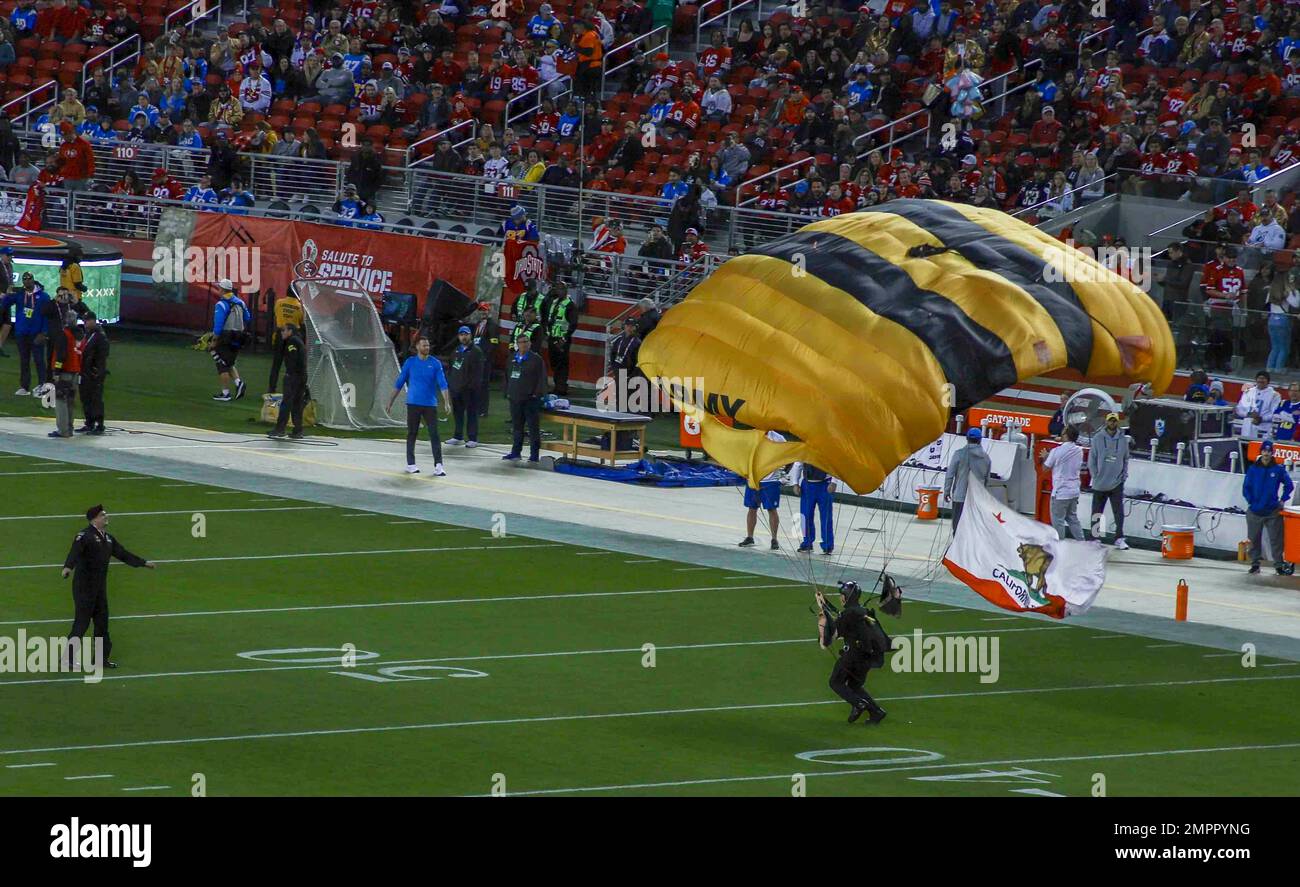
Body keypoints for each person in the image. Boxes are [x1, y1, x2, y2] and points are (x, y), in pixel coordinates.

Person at [61, 504, 155, 669]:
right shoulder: (85, 536)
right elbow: (74, 552)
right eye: (103, 515)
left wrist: (143, 563)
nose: (106, 517)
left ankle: (100, 659)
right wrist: (68, 567)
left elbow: (123, 553)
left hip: (99, 589)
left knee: (102, 624)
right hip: (84, 588)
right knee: (81, 623)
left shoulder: (108, 538)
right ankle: (67, 659)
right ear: (94, 519)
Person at [820, 580, 888, 724]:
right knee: (854, 685)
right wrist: (825, 603)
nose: (840, 598)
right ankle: (876, 712)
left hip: (852, 656)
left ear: (846, 597)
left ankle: (858, 704)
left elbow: (834, 631)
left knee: (835, 682)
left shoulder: (849, 614)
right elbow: (841, 616)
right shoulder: (861, 610)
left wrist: (823, 615)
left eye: (842, 595)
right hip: (867, 657)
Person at [387, 334, 451, 475]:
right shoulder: (410, 362)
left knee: (434, 434)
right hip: (413, 404)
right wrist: (390, 402)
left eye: (428, 345)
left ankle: (439, 465)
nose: (427, 347)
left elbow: (443, 384)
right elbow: (399, 383)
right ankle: (411, 464)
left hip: (430, 405)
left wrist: (446, 402)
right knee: (412, 433)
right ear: (417, 347)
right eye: (424, 345)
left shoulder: (435, 363)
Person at [1243, 440, 1295, 576]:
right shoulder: (1253, 469)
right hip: (1255, 511)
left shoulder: (1278, 469)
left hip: (1272, 511)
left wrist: (1283, 500)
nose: (1266, 454)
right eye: (1264, 451)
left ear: (1272, 453)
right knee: (1253, 539)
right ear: (1261, 452)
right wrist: (1251, 501)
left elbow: (1289, 485)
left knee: (1276, 539)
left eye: (1269, 451)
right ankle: (1255, 564)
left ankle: (1278, 564)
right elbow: (1246, 488)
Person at [1087, 411, 1130, 549]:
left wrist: (1123, 475)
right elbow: (1091, 459)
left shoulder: (1123, 439)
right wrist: (1095, 475)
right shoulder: (1098, 438)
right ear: (1106, 421)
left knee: (1119, 512)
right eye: (1110, 420)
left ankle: (1119, 538)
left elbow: (1126, 458)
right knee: (1097, 511)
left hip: (1117, 482)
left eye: (1115, 421)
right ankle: (1095, 538)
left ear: (1118, 422)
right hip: (1100, 482)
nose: (1112, 423)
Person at [502, 330, 547, 462]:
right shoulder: (511, 359)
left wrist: (537, 395)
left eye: (526, 342)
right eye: (521, 342)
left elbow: (542, 378)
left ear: (530, 343)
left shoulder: (536, 359)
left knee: (533, 428)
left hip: (530, 400)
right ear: (517, 344)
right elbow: (506, 376)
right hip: (515, 398)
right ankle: (516, 452)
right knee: (517, 427)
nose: (524, 345)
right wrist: (507, 392)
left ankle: (534, 455)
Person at [738, 430, 786, 549]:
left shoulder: (778, 438)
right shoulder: (752, 435)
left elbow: (788, 455)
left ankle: (774, 539)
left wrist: (783, 473)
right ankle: (750, 536)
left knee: (771, 509)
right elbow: (744, 454)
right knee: (752, 508)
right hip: (754, 478)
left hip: (770, 480)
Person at [44, 288, 80, 439]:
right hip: (75, 371)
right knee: (71, 401)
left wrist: (56, 372)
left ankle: (63, 430)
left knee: (61, 402)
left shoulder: (63, 334)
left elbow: (61, 355)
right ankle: (70, 428)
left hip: (64, 372)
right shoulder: (78, 333)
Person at [7, 273, 50, 395]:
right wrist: (8, 293)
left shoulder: (43, 297)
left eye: (29, 279)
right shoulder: (20, 295)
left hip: (36, 333)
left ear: (34, 280)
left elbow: (47, 316)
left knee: (39, 360)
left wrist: (44, 332)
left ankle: (42, 385)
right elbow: (5, 304)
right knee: (24, 361)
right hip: (22, 333)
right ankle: (24, 387)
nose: (26, 281)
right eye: (24, 279)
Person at [209, 279, 250, 401]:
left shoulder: (221, 304)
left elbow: (218, 325)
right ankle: (238, 383)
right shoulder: (241, 303)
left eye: (219, 288)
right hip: (239, 336)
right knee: (229, 362)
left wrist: (214, 340)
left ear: (222, 290)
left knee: (222, 365)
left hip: (225, 336)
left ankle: (225, 393)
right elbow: (248, 318)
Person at [944, 427, 991, 530]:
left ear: (967, 438)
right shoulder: (986, 458)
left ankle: (957, 545)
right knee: (972, 528)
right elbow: (987, 480)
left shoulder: (959, 454)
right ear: (980, 440)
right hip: (977, 499)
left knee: (958, 526)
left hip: (960, 497)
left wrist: (947, 491)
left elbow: (950, 475)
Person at [1043, 426, 1084, 540]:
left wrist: (1045, 457)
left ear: (1066, 435)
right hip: (1074, 491)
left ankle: (1060, 546)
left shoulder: (1056, 451)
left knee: (1058, 520)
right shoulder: (1079, 451)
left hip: (1060, 492)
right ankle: (1083, 543)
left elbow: (1045, 468)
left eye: (1062, 432)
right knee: (1072, 519)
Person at [267, 323, 307, 440]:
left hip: (293, 376)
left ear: (290, 331)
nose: (282, 333)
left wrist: (289, 373)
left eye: (284, 331)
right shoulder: (299, 340)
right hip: (302, 376)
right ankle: (298, 430)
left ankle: (280, 429)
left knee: (287, 402)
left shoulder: (292, 342)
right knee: (297, 403)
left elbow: (292, 359)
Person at [446, 325, 484, 447]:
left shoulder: (476, 351)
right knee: (458, 413)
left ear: (470, 335)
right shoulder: (457, 350)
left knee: (471, 413)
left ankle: (472, 438)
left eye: (466, 334)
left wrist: (472, 386)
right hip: (456, 388)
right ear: (458, 336)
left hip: (470, 390)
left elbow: (479, 372)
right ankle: (458, 436)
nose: (464, 337)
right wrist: (452, 384)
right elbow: (452, 367)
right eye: (461, 335)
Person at [792, 462, 837, 555]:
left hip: (825, 484)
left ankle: (828, 545)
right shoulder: (805, 449)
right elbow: (798, 464)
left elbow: (835, 463)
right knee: (805, 515)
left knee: (826, 517)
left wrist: (834, 482)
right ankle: (807, 543)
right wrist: (795, 483)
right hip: (808, 485)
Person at [75, 310, 108, 435]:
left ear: (94, 320)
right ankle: (89, 422)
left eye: (88, 321)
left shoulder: (99, 335)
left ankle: (99, 424)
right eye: (84, 321)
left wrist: (98, 370)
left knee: (95, 398)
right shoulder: (88, 334)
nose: (85, 323)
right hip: (85, 371)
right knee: (85, 397)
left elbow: (102, 354)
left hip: (94, 372)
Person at [267, 288, 305, 393]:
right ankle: (292, 388)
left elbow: (275, 315)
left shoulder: (279, 302)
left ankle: (272, 388)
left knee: (276, 364)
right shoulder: (299, 306)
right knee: (292, 364)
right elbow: (301, 321)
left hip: (280, 333)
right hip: (293, 335)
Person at [543, 281, 577, 396]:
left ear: (566, 290)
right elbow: (547, 316)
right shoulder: (554, 302)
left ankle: (561, 387)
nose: (559, 291)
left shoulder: (570, 304)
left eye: (561, 288)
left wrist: (564, 338)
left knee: (561, 364)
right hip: (552, 337)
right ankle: (558, 385)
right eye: (557, 288)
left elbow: (573, 324)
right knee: (554, 362)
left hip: (562, 339)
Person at [1236, 371, 1281, 440]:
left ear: (1268, 381)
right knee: (1244, 447)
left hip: (1263, 428)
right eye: (1259, 378)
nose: (1261, 380)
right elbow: (1239, 409)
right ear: (1256, 379)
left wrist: (1261, 418)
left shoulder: (1274, 395)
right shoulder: (1248, 392)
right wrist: (1248, 414)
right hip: (1247, 427)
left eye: (1263, 378)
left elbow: (1275, 413)